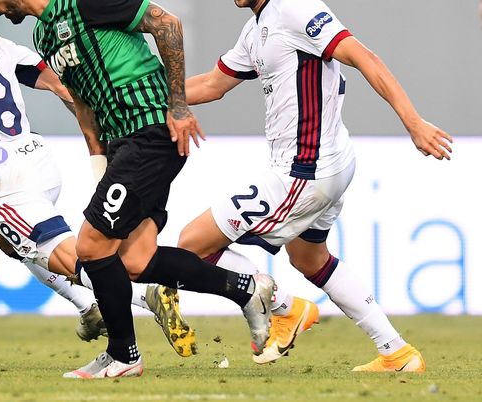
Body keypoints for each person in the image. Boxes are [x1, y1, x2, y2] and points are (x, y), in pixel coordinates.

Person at [0, 0, 196, 357]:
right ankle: (87, 306)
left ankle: (146, 295)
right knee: (5, 237)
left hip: (6, 184)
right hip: (39, 162)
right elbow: (63, 86)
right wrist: (98, 133)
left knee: (81, 258)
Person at [0, 0, 278, 379]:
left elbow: (167, 24)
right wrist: (99, 163)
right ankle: (246, 289)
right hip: (122, 145)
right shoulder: (43, 34)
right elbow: (84, 103)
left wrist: (177, 107)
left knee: (90, 247)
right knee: (135, 261)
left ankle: (124, 355)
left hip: (150, 131)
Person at [176, 0, 453, 372]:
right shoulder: (255, 29)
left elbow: (364, 56)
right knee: (310, 259)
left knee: (192, 245)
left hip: (305, 171)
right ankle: (396, 351)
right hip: (331, 162)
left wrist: (413, 122)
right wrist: (145, 97)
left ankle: (286, 309)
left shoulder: (295, 8)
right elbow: (213, 84)